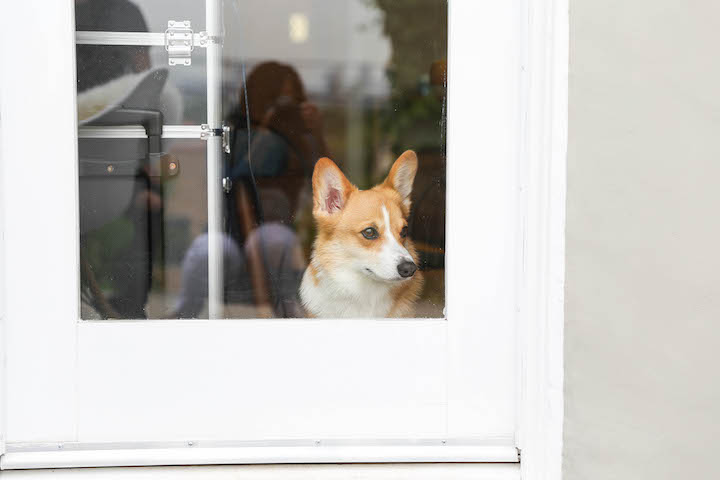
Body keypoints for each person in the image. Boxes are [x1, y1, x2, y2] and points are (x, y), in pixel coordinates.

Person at [174, 62, 328, 318]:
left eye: (289, 103)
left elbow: (328, 188)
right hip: (230, 232)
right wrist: (264, 132)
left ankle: (287, 317)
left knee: (273, 239)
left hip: (279, 235)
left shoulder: (299, 139)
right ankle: (181, 318)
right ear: (255, 98)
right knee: (207, 249)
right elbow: (230, 178)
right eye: (274, 101)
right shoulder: (233, 132)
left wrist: (316, 136)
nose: (281, 110)